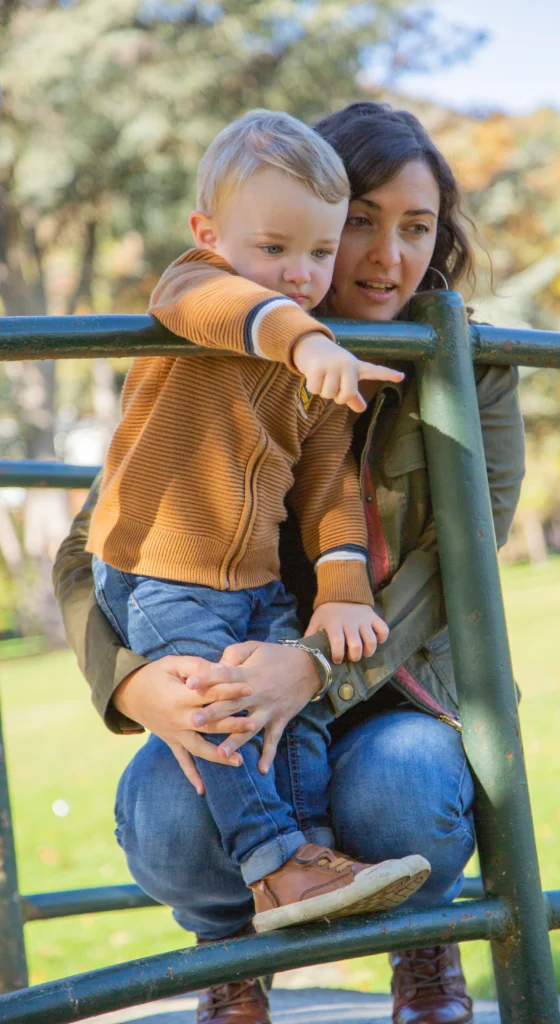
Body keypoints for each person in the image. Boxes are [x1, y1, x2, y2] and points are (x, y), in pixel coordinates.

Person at [54, 101, 526, 1024]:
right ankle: (229, 969)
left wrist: (309, 669)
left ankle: (420, 951)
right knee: (167, 808)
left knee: (400, 782)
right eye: (361, 224)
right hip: (221, 653)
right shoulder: (215, 330)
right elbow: (91, 542)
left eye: (417, 228)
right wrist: (132, 686)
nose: (388, 258)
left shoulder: (466, 363)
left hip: (387, 692)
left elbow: (455, 561)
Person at [87, 108, 429, 935]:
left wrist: (342, 589)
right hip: (159, 565)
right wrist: (307, 343)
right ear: (210, 233)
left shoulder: (316, 361)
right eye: (272, 249)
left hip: (251, 580)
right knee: (223, 709)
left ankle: (311, 854)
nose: (299, 275)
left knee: (291, 710)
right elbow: (239, 311)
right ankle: (272, 865)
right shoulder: (194, 288)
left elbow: (324, 489)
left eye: (318, 253)